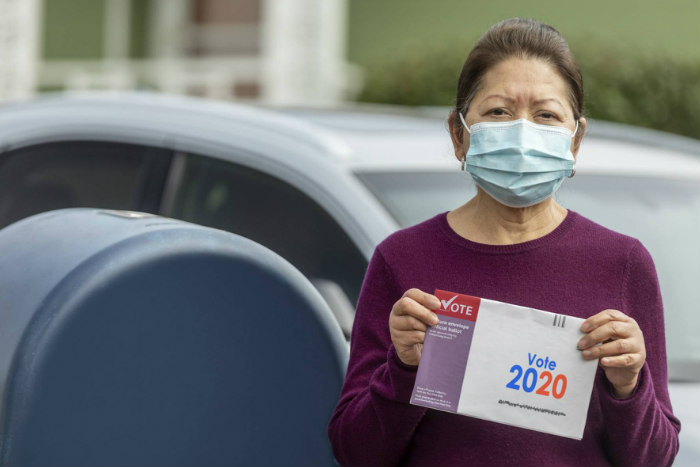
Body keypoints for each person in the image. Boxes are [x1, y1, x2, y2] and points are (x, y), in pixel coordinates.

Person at [327, 17, 680, 467]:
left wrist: (629, 384)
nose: (523, 133)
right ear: (459, 135)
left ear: (575, 141)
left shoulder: (623, 263)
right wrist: (405, 369)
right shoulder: (402, 260)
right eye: (498, 112)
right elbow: (355, 452)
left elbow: (655, 459)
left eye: (547, 115)